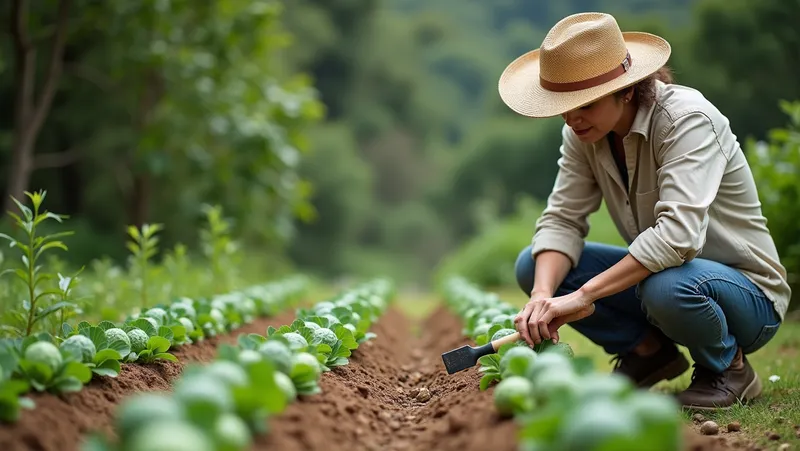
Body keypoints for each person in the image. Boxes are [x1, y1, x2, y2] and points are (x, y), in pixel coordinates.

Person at [500, 12, 791, 410]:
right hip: (665, 281)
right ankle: (649, 352)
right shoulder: (583, 135)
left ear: (626, 90)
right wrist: (542, 296)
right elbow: (562, 219)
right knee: (534, 266)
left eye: (583, 103)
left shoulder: (686, 120)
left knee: (668, 286)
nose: (571, 117)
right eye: (563, 105)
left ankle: (730, 368)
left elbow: (677, 236)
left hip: (747, 296)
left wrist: (584, 296)